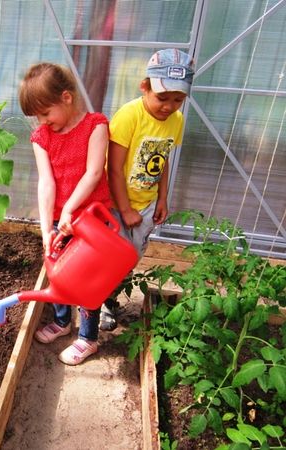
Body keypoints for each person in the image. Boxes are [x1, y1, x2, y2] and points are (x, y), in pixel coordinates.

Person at [18, 62, 113, 365]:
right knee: (58, 271)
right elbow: (46, 183)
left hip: (92, 220)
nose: (42, 122)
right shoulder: (41, 138)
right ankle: (62, 322)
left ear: (67, 98)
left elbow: (94, 173)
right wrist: (47, 229)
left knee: (87, 278)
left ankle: (88, 337)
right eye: (37, 116)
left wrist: (71, 208)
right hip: (62, 221)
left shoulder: (95, 125)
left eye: (45, 113)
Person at [100, 48, 195, 330]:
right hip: (118, 206)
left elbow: (162, 160)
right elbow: (113, 169)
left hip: (147, 204)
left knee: (130, 260)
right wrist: (125, 209)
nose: (169, 106)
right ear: (145, 86)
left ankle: (110, 299)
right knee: (111, 259)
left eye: (178, 99)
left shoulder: (176, 121)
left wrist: (163, 197)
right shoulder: (129, 115)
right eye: (162, 97)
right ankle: (100, 305)